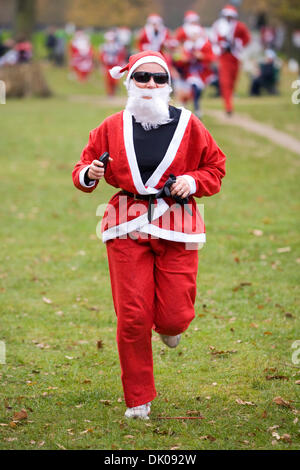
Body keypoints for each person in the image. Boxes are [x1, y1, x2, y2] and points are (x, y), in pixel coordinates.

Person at [72, 50, 226, 419]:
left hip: (178, 225)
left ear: (168, 85)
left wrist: (192, 180)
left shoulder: (190, 124)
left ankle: (170, 326)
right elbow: (82, 167)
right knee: (132, 316)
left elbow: (215, 168)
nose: (151, 85)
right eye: (142, 78)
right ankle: (138, 399)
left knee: (173, 318)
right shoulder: (110, 127)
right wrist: (89, 174)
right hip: (125, 223)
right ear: (130, 83)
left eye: (159, 79)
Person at [211, 4, 251, 115]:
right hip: (224, 57)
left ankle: (230, 99)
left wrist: (238, 43)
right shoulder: (218, 26)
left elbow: (247, 38)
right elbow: (214, 40)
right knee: (225, 82)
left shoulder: (239, 26)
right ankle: (228, 106)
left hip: (235, 57)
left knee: (233, 81)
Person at [99, 30, 126, 96]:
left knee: (114, 78)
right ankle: (110, 93)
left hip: (115, 65)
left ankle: (115, 89)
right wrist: (102, 64)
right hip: (107, 65)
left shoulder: (118, 46)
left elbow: (122, 55)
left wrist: (121, 62)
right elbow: (101, 56)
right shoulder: (104, 46)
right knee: (108, 80)